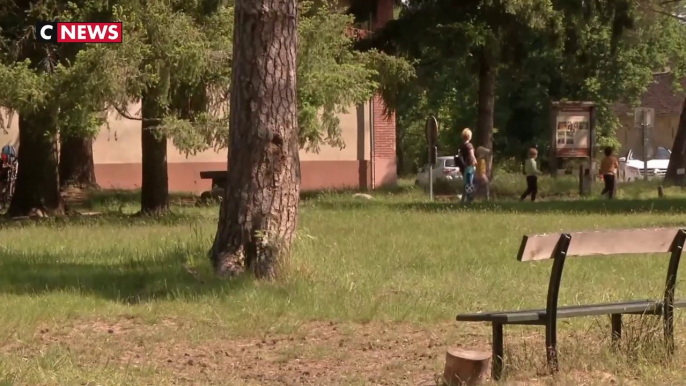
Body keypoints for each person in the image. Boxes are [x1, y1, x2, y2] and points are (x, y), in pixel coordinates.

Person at [459, 128, 476, 203]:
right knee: (469, 183)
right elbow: (472, 156)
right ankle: (469, 199)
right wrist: (474, 162)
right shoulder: (469, 145)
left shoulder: (462, 146)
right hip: (470, 166)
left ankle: (463, 200)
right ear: (470, 136)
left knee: (466, 183)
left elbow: (460, 156)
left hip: (465, 167)